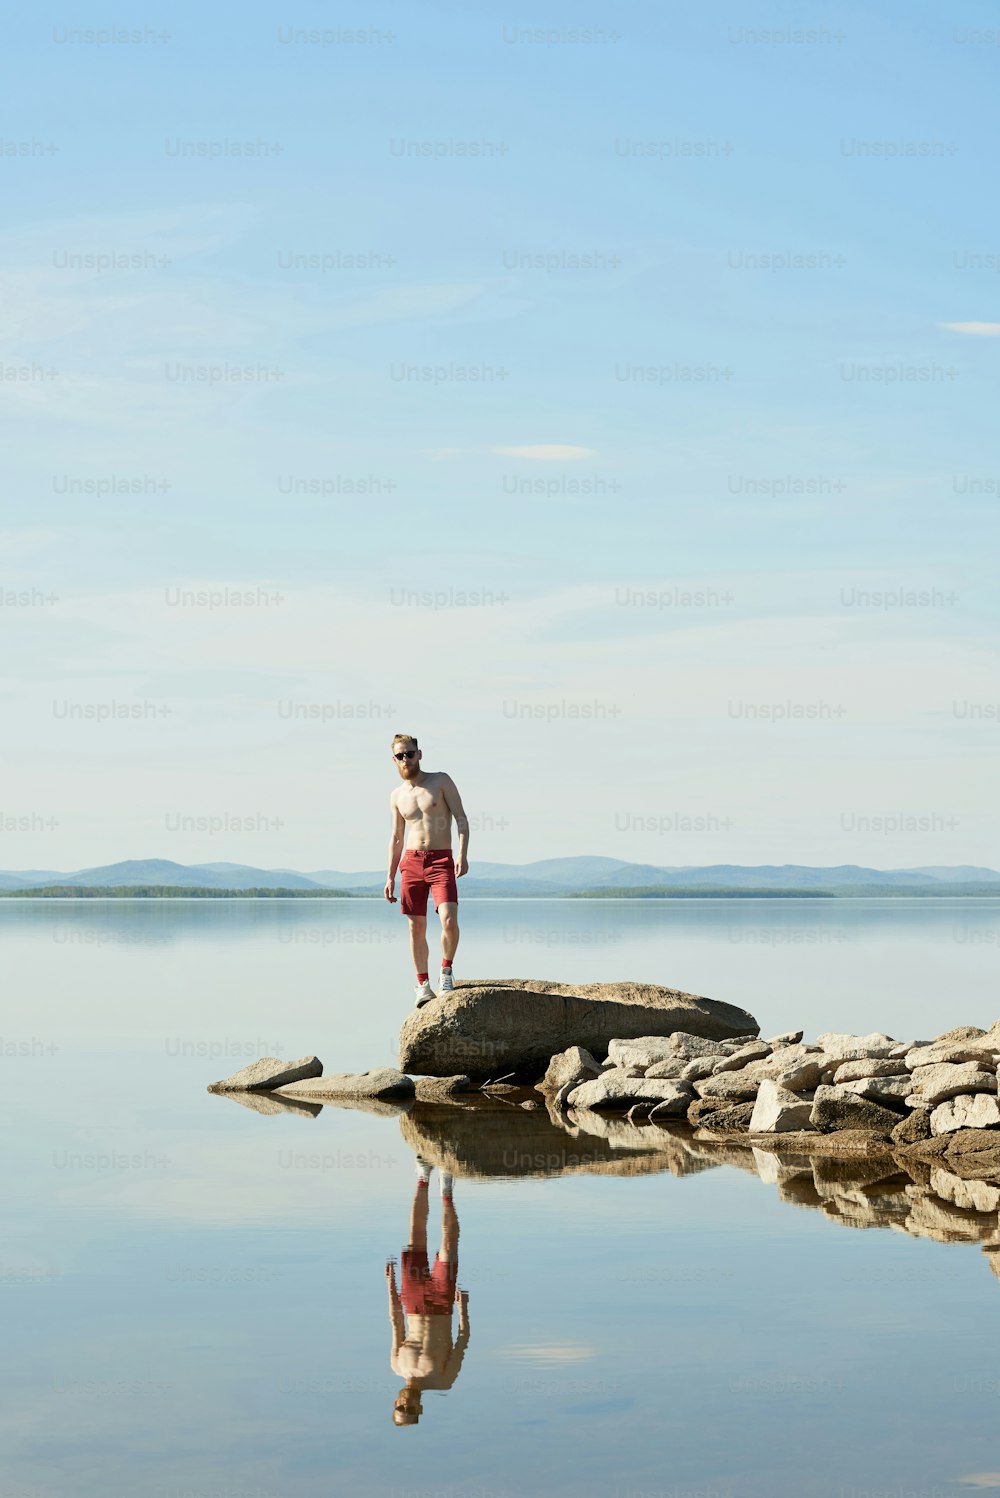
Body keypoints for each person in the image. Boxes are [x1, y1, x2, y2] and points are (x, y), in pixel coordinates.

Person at [383, 733, 469, 1007]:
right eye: (400, 755)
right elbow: (396, 837)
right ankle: (422, 984)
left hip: (441, 860)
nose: (406, 759)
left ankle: (446, 971)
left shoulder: (440, 781)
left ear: (420, 754)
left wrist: (462, 855)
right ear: (394, 760)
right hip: (411, 862)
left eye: (410, 753)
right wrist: (390, 875)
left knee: (449, 920)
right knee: (415, 927)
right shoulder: (397, 795)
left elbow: (461, 819)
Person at [386, 1158, 470, 1426]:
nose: (406, 1405)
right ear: (420, 1409)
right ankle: (446, 1189)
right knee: (448, 1244)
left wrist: (391, 1287)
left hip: (411, 1302)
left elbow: (395, 1323)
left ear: (396, 1401)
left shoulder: (397, 1366)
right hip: (442, 1305)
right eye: (410, 1411)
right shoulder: (443, 1380)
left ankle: (423, 1178)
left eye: (401, 1408)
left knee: (416, 1234)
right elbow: (462, 1341)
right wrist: (462, 1309)